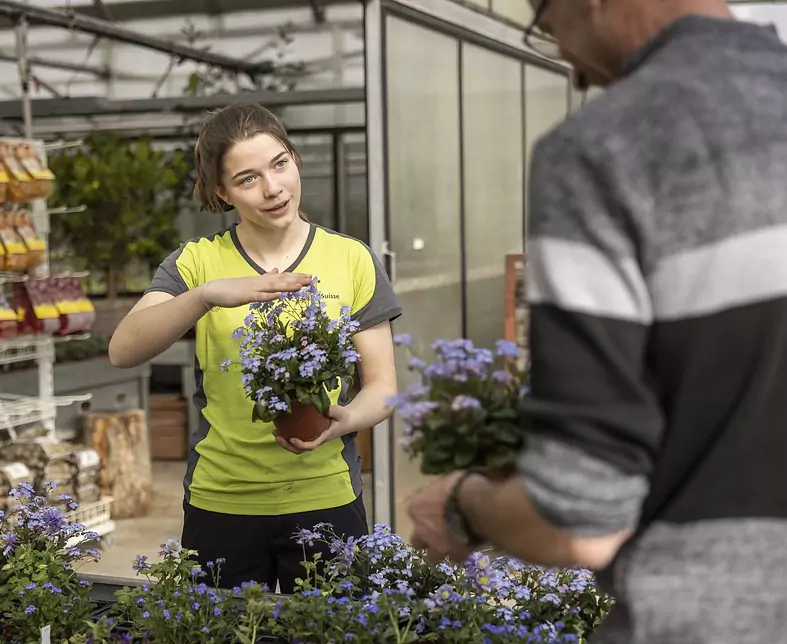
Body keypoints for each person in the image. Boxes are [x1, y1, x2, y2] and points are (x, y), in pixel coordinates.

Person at [407, 1, 787, 643]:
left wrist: (462, 505)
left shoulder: (609, 146)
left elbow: (581, 522)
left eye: (549, 28)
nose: (576, 77)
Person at [109, 103, 400, 593]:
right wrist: (204, 297)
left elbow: (384, 386)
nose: (272, 188)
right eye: (247, 178)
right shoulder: (197, 263)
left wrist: (345, 421)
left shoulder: (352, 259)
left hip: (324, 495)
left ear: (294, 159)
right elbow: (123, 349)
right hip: (222, 499)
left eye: (279, 164)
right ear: (221, 191)